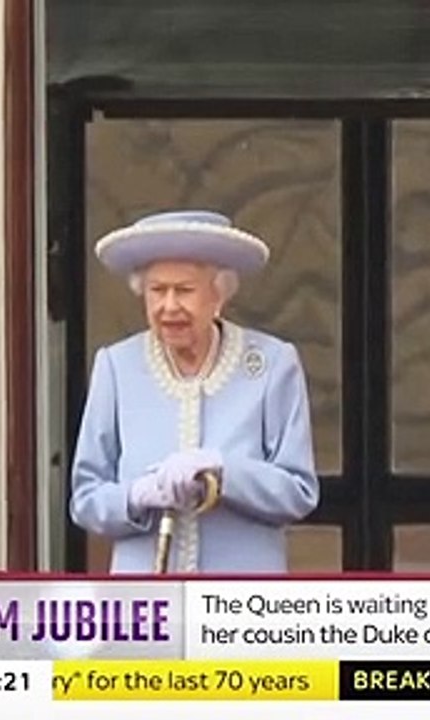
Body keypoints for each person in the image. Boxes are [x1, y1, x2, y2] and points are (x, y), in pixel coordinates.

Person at [71, 210, 320, 573]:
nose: (169, 306)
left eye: (184, 290)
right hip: (147, 606)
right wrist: (137, 496)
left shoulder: (271, 363)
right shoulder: (116, 366)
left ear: (219, 295)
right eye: (157, 291)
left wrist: (223, 471)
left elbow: (298, 492)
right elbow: (86, 499)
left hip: (239, 604)